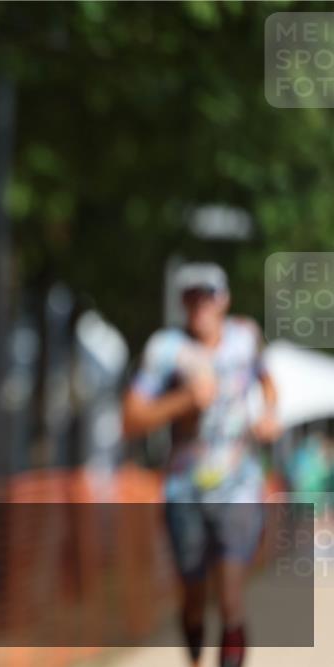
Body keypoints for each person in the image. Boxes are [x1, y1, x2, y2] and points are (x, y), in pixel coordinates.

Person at [121, 262, 280, 667]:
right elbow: (132, 418)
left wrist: (269, 415)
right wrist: (184, 401)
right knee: (193, 600)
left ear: (223, 300)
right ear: (182, 302)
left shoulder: (246, 337)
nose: (199, 305)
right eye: (191, 296)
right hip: (184, 488)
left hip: (238, 484)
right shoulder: (166, 350)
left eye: (207, 295)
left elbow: (268, 382)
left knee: (229, 596)